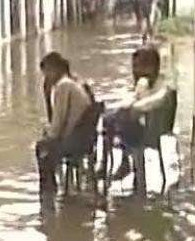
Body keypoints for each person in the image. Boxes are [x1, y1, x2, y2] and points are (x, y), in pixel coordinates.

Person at [96, 46, 170, 181]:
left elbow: (156, 100)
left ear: (152, 66)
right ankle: (115, 162)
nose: (135, 70)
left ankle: (116, 163)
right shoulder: (144, 83)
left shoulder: (161, 84)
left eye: (139, 66)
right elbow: (135, 98)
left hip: (149, 131)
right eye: (134, 66)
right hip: (140, 125)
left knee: (113, 120)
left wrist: (134, 107)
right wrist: (125, 106)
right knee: (110, 117)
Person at [35, 52, 93, 191]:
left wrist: (47, 136)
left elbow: (57, 125)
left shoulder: (63, 86)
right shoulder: (74, 82)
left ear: (55, 69)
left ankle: (48, 192)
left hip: (74, 141)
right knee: (46, 141)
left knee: (40, 147)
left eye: (47, 73)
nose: (46, 78)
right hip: (84, 137)